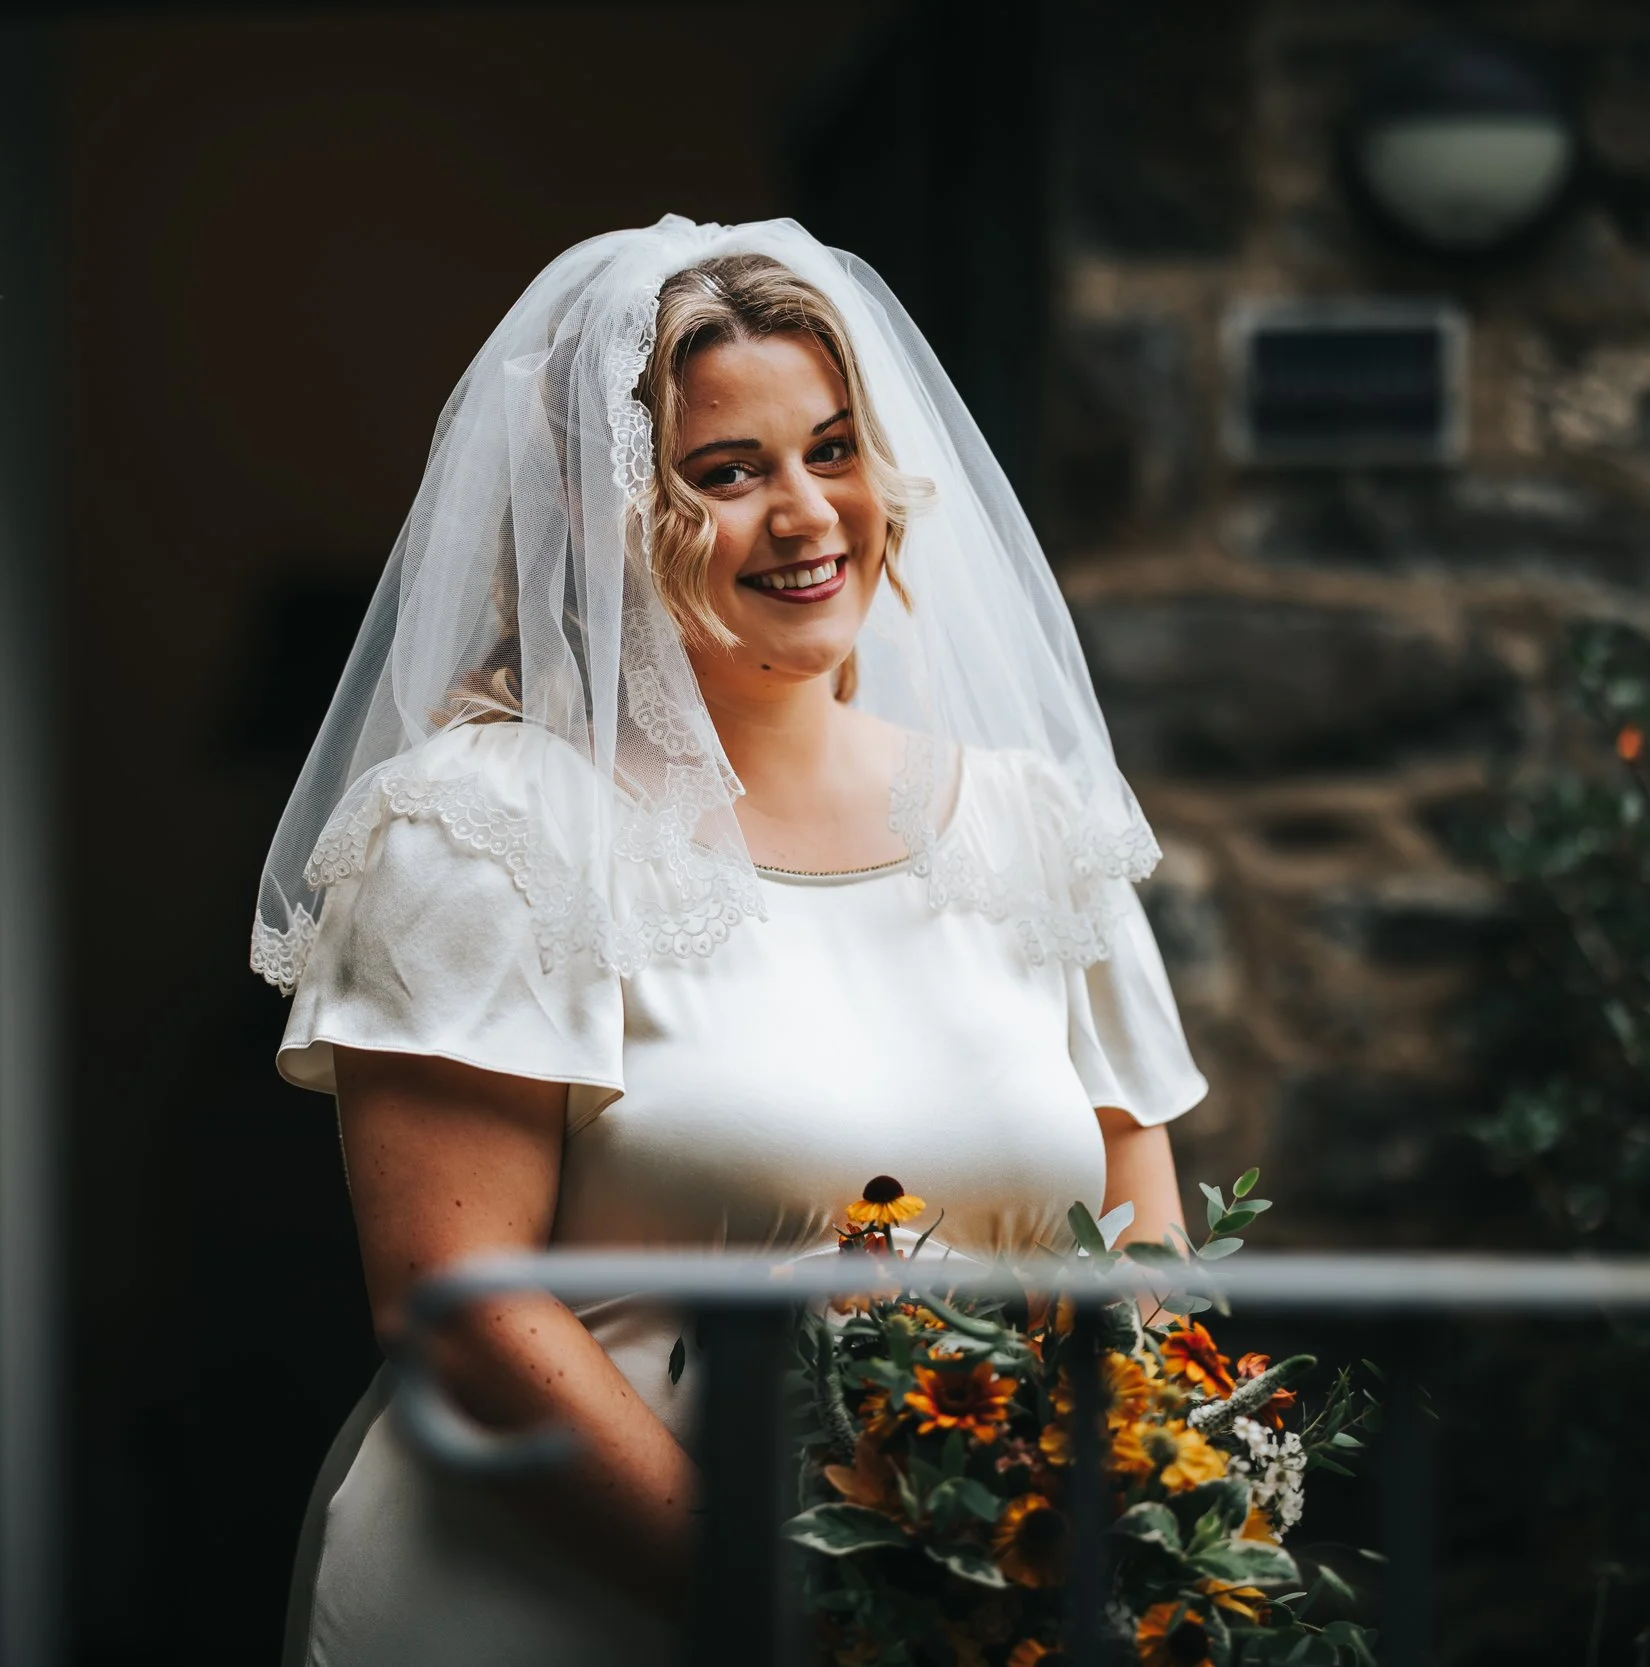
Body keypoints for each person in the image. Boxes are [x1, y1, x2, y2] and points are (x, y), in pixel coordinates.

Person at [252, 217, 1206, 1667]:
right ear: (603, 513)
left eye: (833, 450)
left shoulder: (1032, 825)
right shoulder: (486, 826)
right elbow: (459, 1313)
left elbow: (1146, 1260)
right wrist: (791, 1612)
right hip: (557, 1606)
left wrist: (1080, 1567)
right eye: (727, 472)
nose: (808, 514)